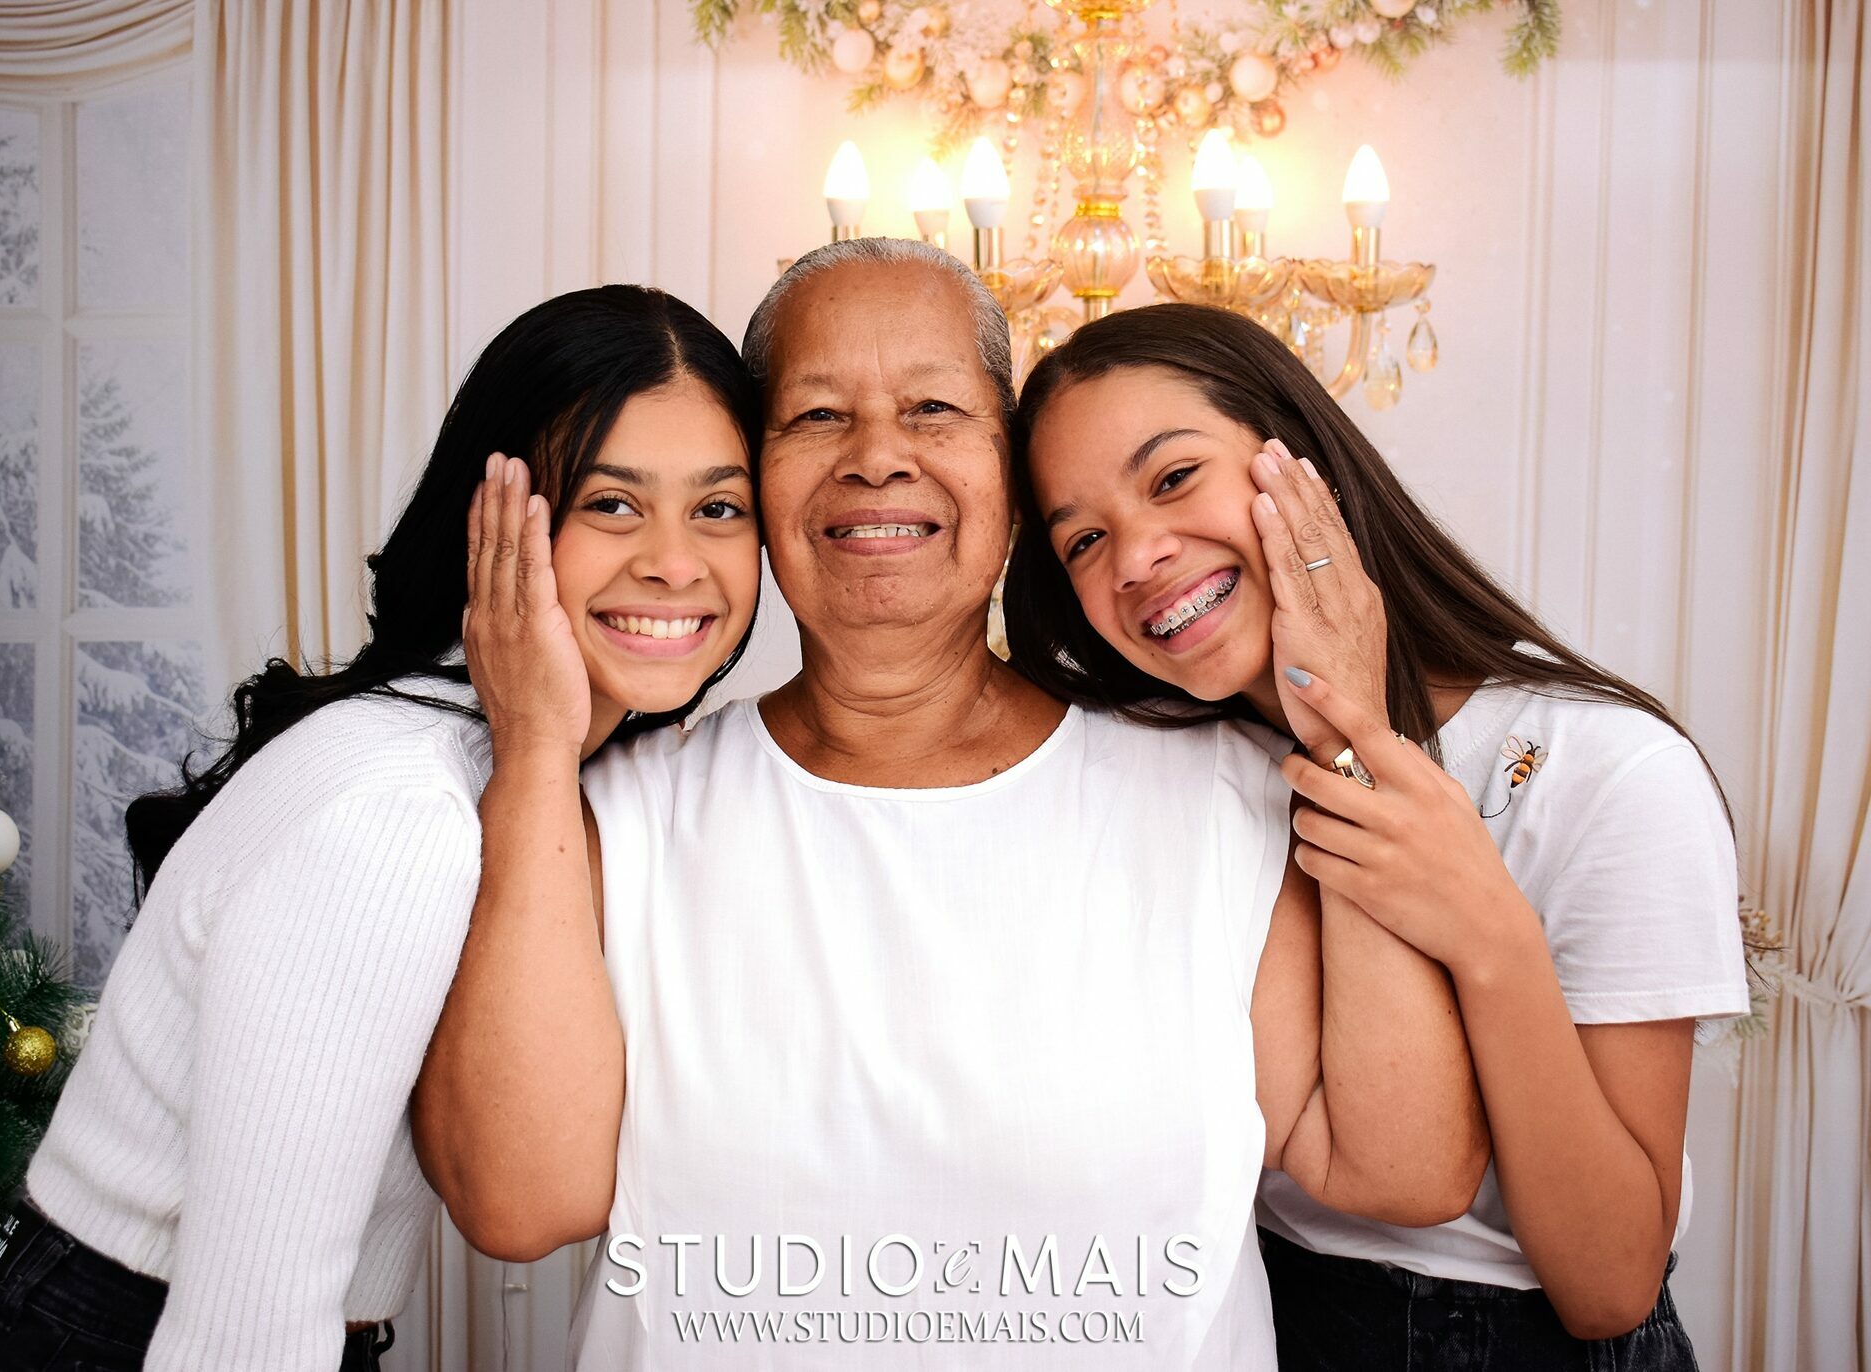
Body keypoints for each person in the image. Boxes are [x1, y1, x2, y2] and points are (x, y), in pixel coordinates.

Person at [412, 239, 1488, 1370]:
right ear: (755, 481)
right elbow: (519, 1202)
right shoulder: (610, 819)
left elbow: (1406, 1167)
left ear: (1010, 473)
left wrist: (1349, 727)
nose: (879, 458)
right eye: (818, 416)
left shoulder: (1221, 795)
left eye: (933, 409)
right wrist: (532, 752)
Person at [0, 286, 764, 1372]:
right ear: (493, 523)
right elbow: (244, 1332)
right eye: (612, 503)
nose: (675, 561)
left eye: (719, 508)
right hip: (120, 1337)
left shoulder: (525, 765)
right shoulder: (398, 811)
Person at [1003, 302, 1750, 1371]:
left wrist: (1489, 933)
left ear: (1301, 461)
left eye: (1173, 478)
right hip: (1256, 1309)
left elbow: (1609, 1285)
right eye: (1083, 538)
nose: (1137, 556)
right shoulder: (1167, 773)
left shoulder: (1608, 770)